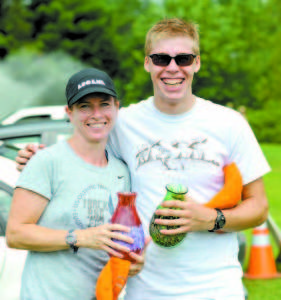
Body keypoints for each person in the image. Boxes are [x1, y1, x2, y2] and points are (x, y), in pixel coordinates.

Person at [15, 18, 270, 300]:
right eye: (161, 58)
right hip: (145, 291)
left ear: (196, 63)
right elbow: (79, 156)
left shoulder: (229, 123)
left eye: (183, 58)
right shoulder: (123, 123)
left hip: (218, 289)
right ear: (147, 63)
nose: (172, 68)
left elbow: (258, 206)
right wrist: (38, 157)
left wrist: (210, 219)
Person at [6, 68, 146, 300]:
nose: (96, 114)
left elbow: (115, 242)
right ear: (69, 113)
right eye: (84, 106)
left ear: (116, 107)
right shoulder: (46, 161)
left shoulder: (122, 171)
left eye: (104, 104)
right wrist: (79, 237)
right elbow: (16, 234)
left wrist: (131, 264)